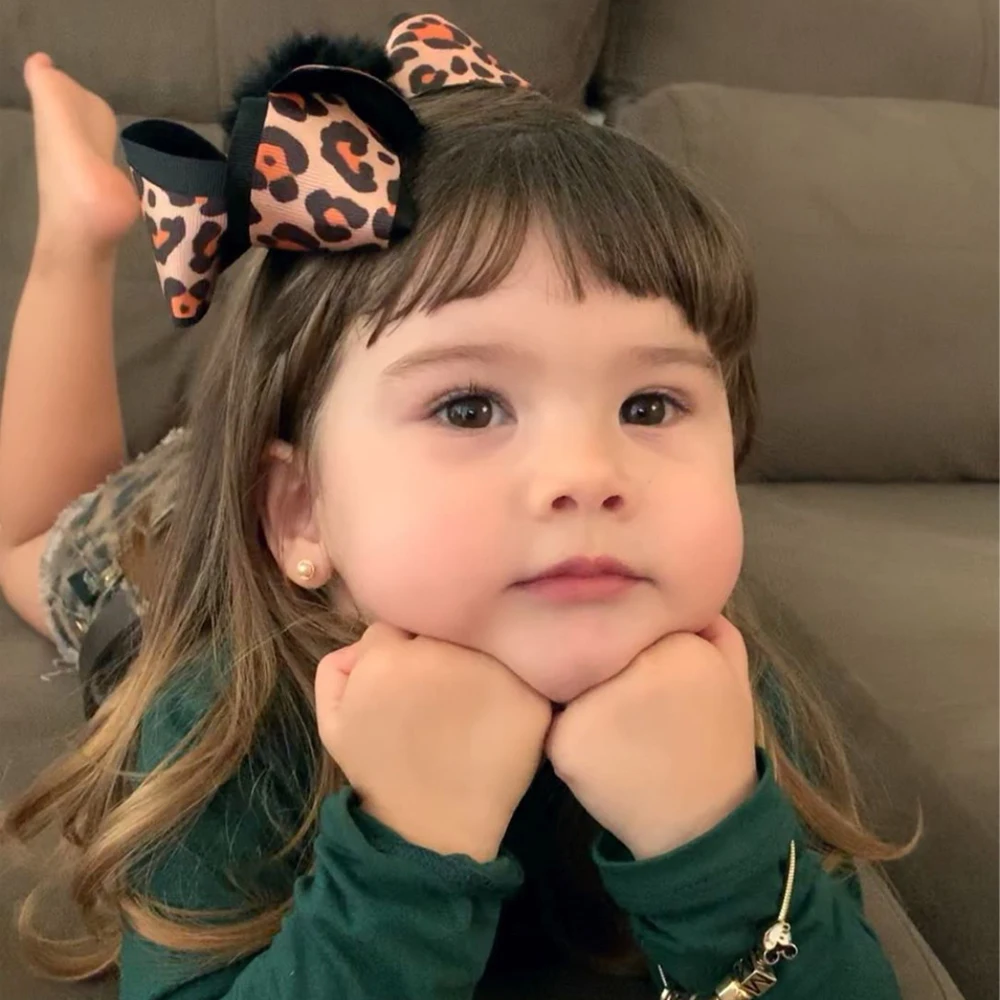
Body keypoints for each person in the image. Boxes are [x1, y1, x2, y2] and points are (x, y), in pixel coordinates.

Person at [0, 14, 914, 1000]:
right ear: (302, 513)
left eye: (648, 405)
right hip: (160, 533)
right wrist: (408, 849)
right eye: (470, 406)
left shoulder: (728, 696)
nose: (588, 472)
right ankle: (77, 232)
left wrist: (714, 841)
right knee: (27, 543)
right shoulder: (221, 712)